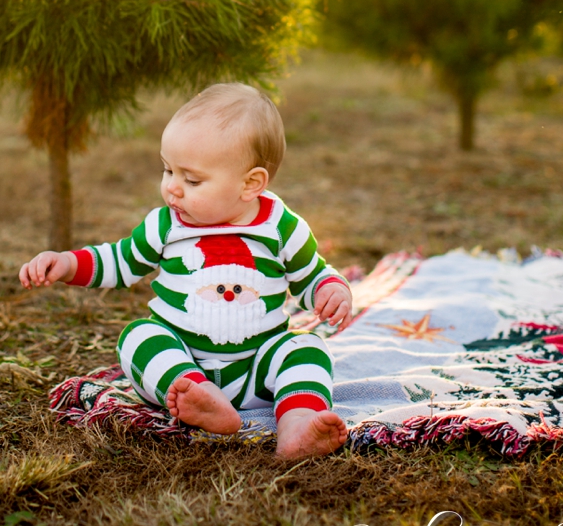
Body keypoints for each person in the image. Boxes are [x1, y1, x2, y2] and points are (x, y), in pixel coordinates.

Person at [19, 83, 352, 459]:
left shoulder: (281, 227)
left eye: (191, 180)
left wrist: (330, 288)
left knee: (307, 348)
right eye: (167, 170)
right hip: (184, 359)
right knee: (139, 337)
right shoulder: (165, 226)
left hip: (259, 366)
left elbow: (312, 275)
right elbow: (119, 261)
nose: (172, 189)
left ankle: (297, 425)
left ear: (250, 183)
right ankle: (196, 394)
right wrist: (66, 263)